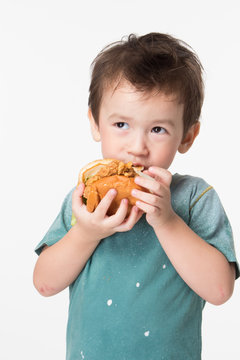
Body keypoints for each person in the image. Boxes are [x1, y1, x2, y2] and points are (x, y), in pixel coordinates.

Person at [33, 32, 239, 360]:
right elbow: (44, 283)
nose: (137, 147)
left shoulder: (194, 198)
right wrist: (86, 233)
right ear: (95, 123)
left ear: (187, 136)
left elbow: (219, 291)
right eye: (121, 124)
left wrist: (167, 221)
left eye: (158, 129)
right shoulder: (85, 200)